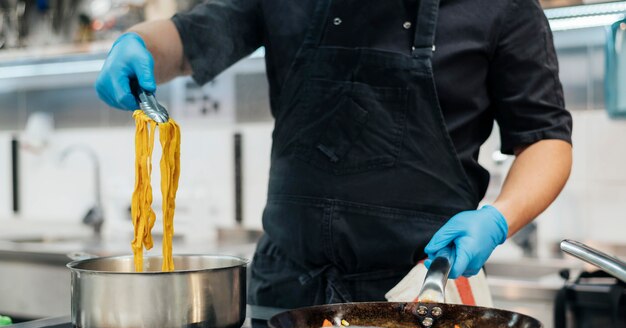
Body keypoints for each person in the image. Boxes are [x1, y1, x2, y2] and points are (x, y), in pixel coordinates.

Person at [96, 0, 573, 308]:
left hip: (419, 294)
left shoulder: (503, 9)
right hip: (284, 298)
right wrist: (137, 43)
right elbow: (184, 42)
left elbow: (546, 139)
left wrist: (498, 218)